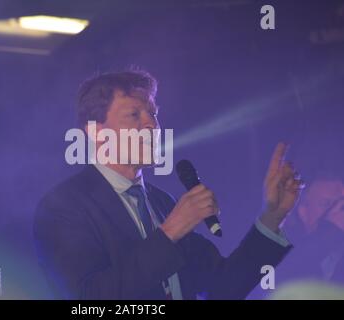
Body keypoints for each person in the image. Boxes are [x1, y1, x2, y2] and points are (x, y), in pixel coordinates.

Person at [33, 70, 304, 299]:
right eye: (134, 114)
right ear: (97, 132)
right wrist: (171, 231)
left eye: (153, 113)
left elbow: (223, 287)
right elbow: (88, 298)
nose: (151, 123)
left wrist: (272, 216)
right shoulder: (65, 207)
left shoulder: (161, 202)